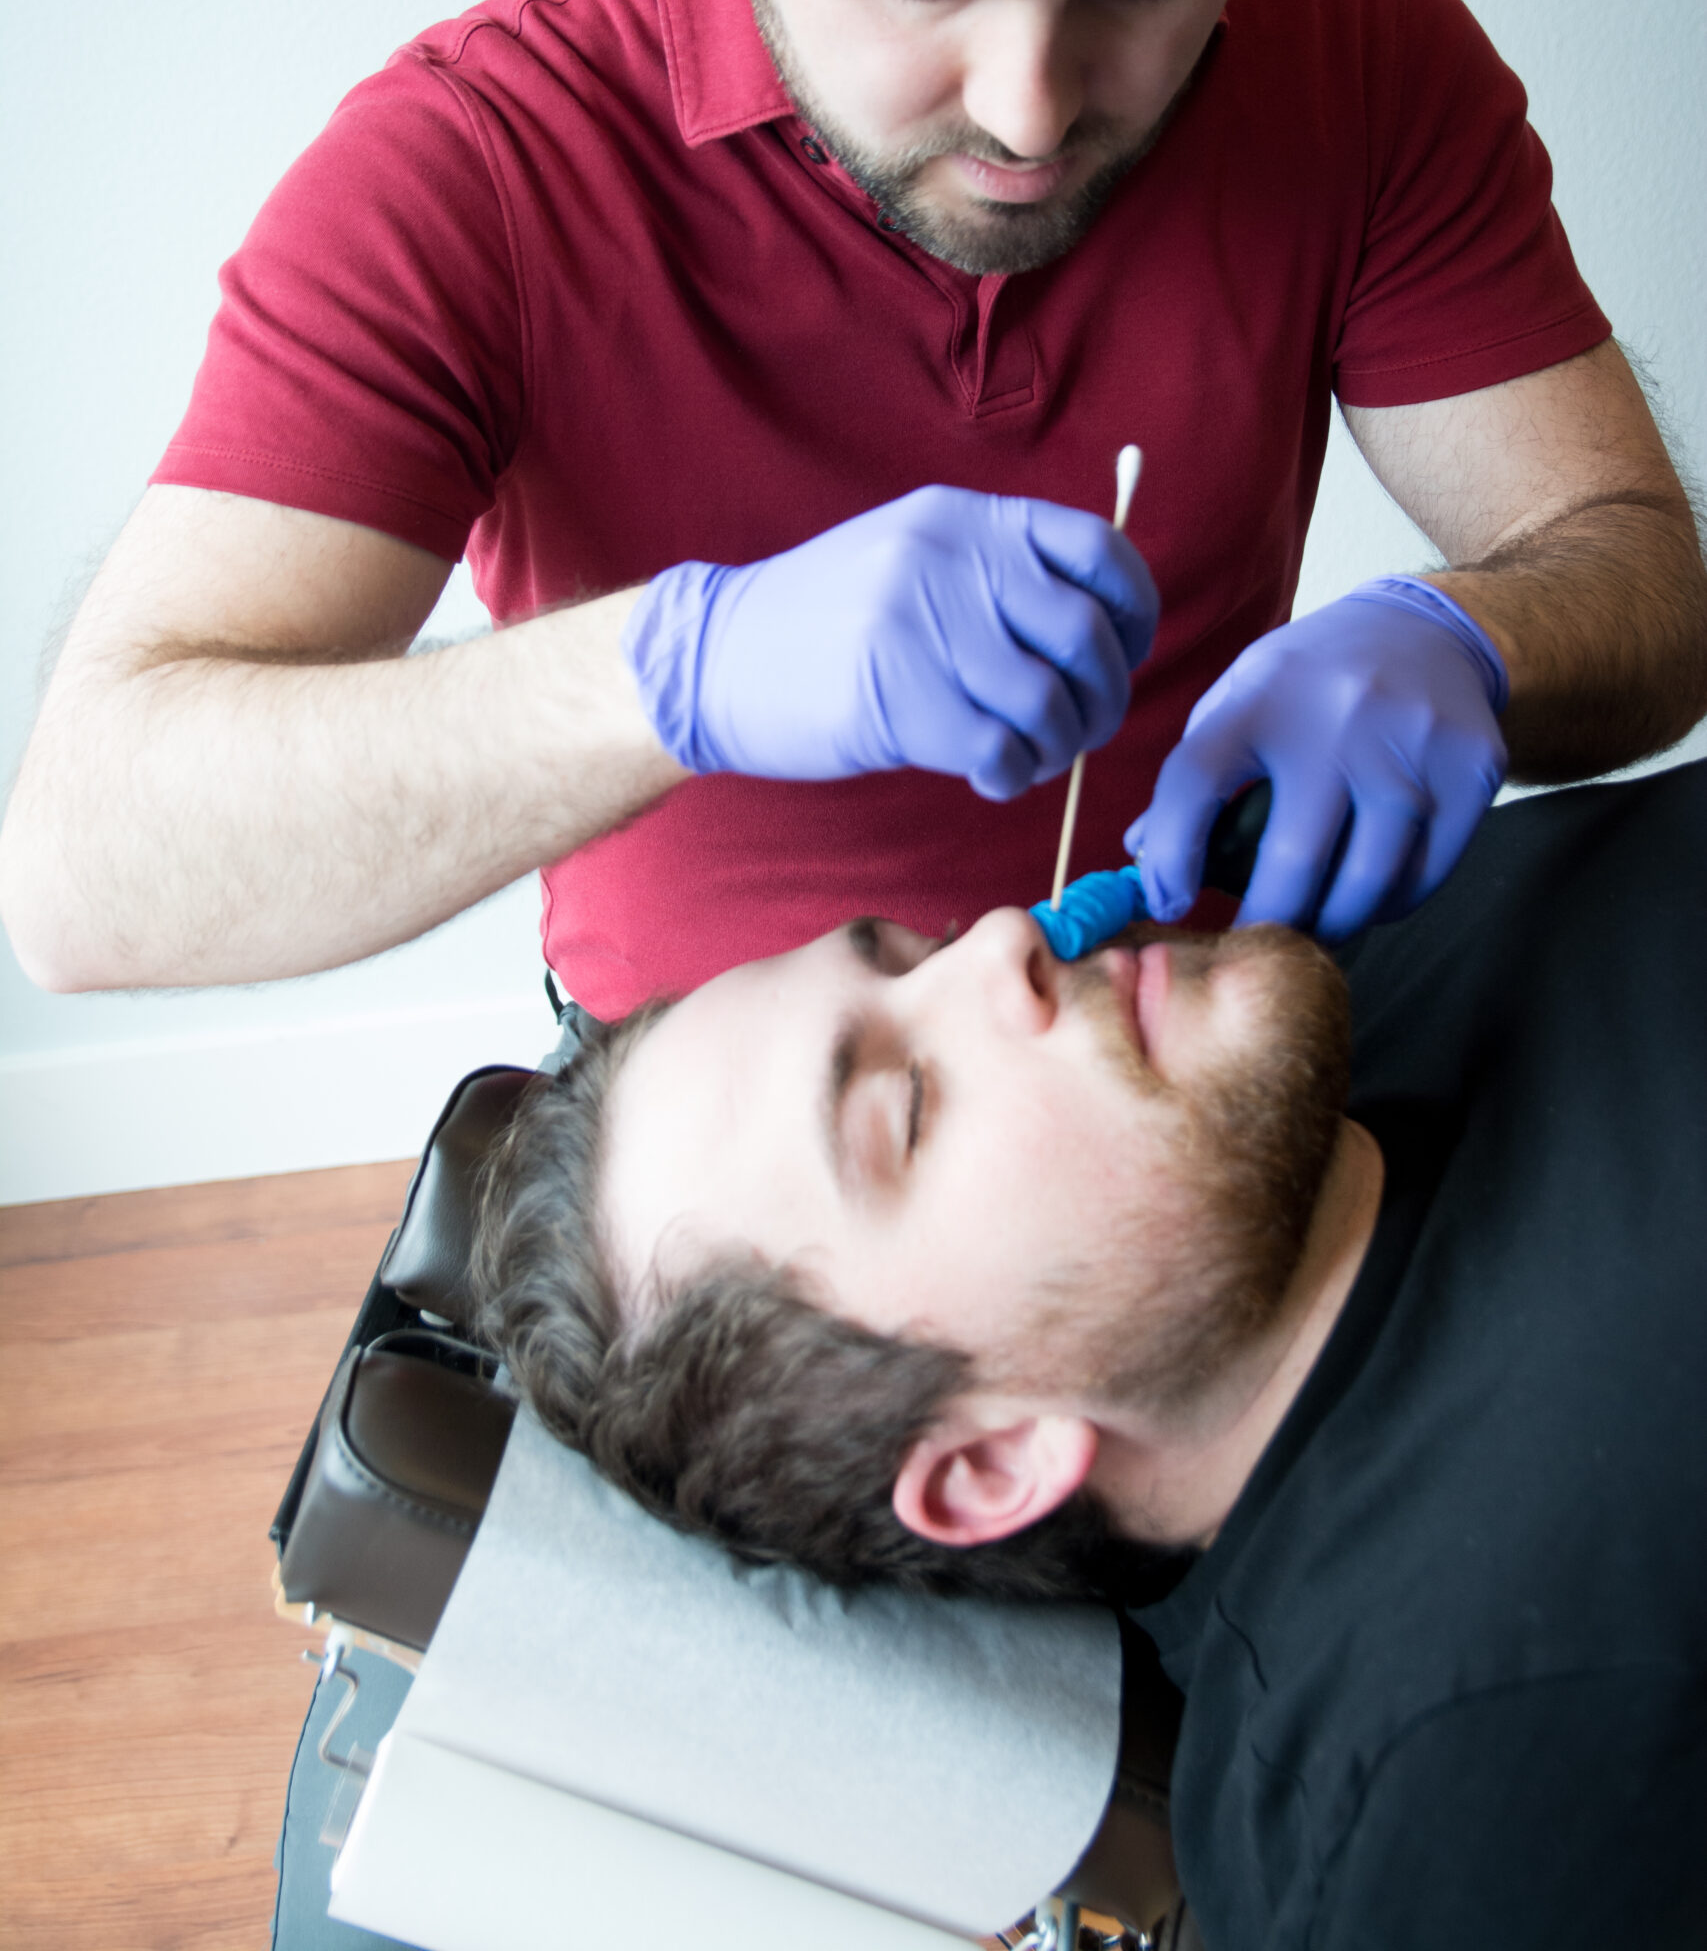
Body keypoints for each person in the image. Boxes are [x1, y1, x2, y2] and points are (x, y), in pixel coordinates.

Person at [1, 0, 1704, 1016]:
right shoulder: (479, 172)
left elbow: (1644, 583)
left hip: (1199, 1034)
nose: (1033, 112)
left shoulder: (1346, 25)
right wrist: (689, 669)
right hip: (728, 1135)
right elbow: (85, 874)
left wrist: (1476, 641)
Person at [472, 762, 1707, 1948]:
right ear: (992, 1461)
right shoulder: (1443, 1790)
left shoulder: (1344, 995)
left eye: (913, 956)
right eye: (908, 1107)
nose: (1007, 937)